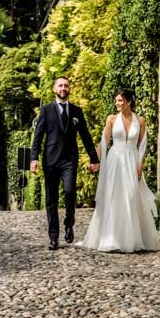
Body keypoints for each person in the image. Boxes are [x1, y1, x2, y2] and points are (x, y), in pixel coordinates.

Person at [80, 88, 160, 252]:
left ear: (129, 101)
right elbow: (103, 142)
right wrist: (95, 161)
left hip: (132, 160)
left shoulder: (141, 121)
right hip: (115, 160)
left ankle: (132, 239)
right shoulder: (111, 119)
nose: (117, 103)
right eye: (116, 100)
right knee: (114, 196)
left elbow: (142, 145)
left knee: (131, 196)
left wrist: (140, 165)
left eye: (120, 101)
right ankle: (111, 238)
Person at [29, 76, 100, 250]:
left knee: (69, 192)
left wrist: (94, 159)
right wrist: (33, 158)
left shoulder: (77, 111)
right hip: (50, 161)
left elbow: (85, 136)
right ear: (54, 89)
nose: (63, 88)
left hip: (69, 160)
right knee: (51, 200)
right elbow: (38, 136)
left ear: (69, 89)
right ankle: (53, 237)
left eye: (66, 86)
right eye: (60, 85)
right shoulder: (46, 110)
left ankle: (69, 223)